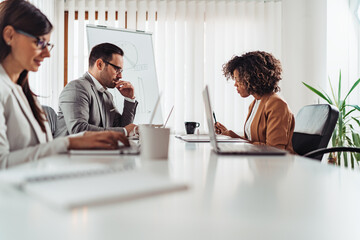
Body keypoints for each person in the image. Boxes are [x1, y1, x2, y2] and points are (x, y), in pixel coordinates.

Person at [0, 0, 129, 168]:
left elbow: (40, 150)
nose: (47, 53)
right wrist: (69, 143)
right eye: (39, 43)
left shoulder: (22, 91)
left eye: (48, 45)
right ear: (10, 35)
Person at [215, 51, 295, 153]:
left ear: (252, 78)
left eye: (238, 80)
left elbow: (274, 150)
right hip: (259, 163)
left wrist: (234, 137)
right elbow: (254, 140)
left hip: (277, 166)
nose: (235, 84)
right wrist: (228, 134)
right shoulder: (254, 104)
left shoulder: (276, 104)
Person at [56, 43, 138, 137]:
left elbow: (122, 127)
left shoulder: (107, 95)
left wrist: (129, 99)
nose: (120, 76)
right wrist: (124, 131)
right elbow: (78, 130)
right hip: (71, 151)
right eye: (116, 69)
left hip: (97, 150)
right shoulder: (76, 88)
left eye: (121, 71)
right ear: (100, 64)